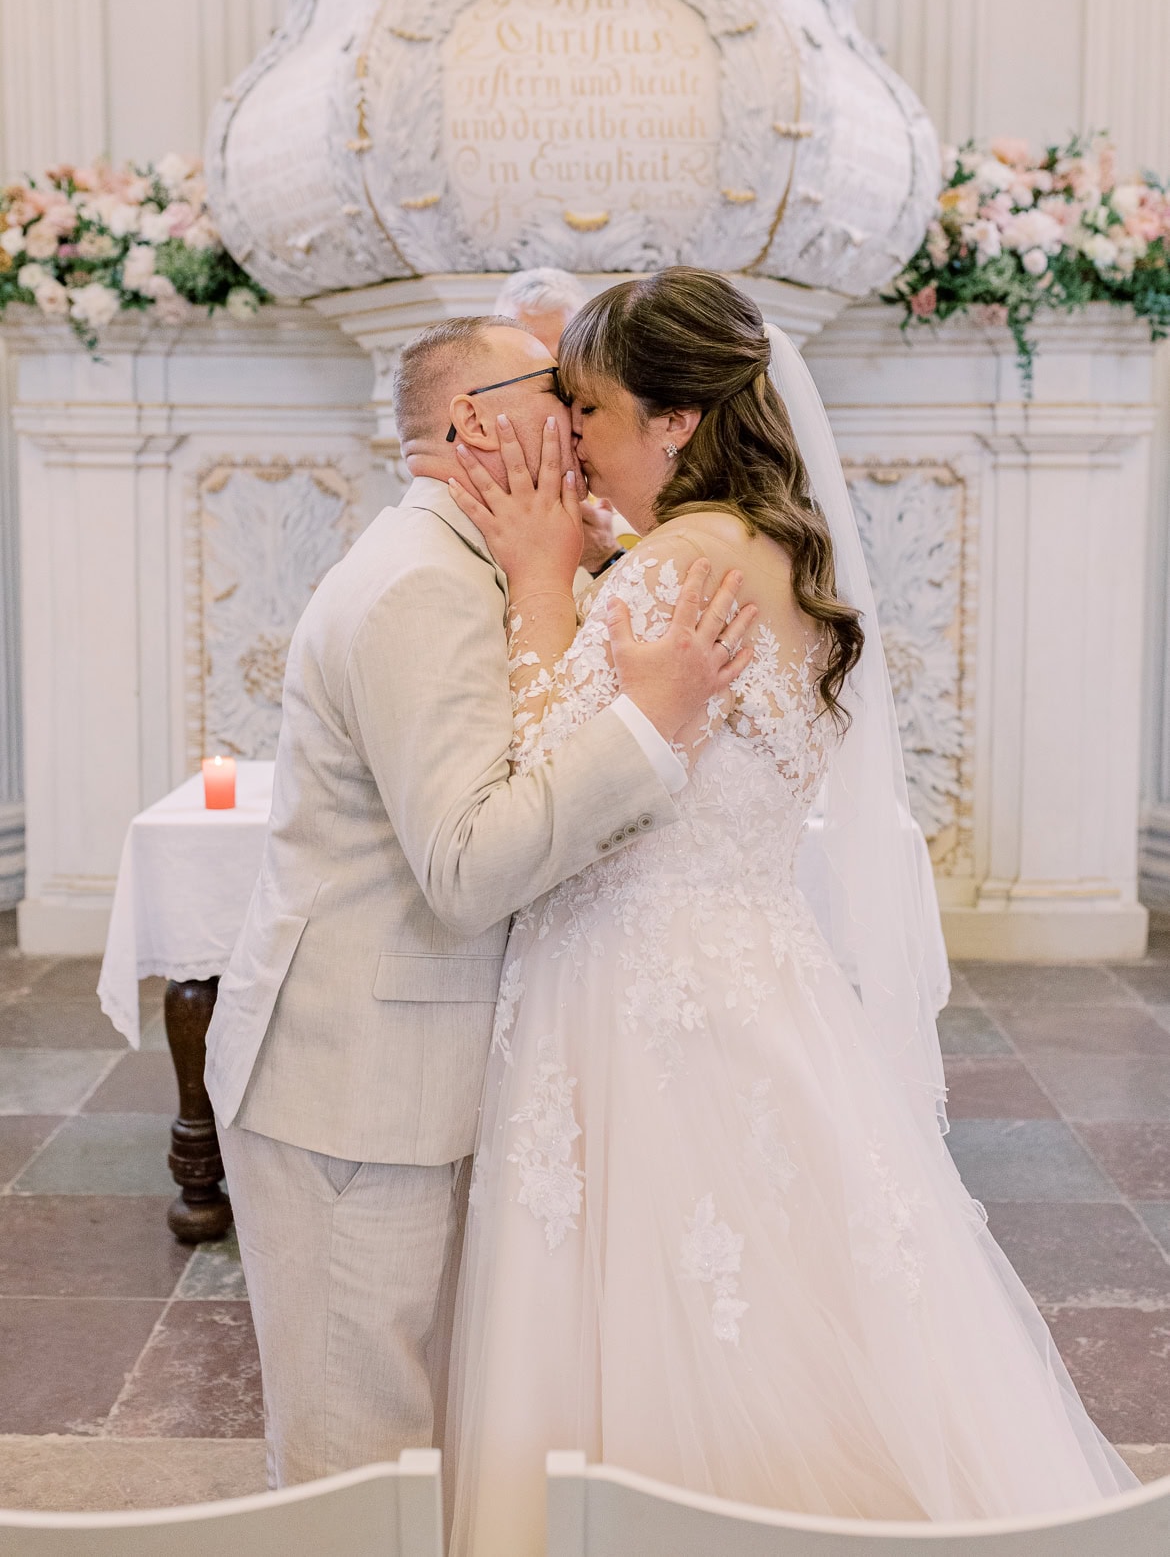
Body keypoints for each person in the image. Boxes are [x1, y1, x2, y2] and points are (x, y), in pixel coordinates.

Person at [444, 269, 1136, 1556]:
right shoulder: (773, 549)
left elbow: (549, 791)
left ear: (676, 424)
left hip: (632, 988)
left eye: (590, 409)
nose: (573, 435)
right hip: (758, 969)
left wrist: (541, 581)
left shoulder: (673, 569)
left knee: (656, 1330)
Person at [204, 312, 755, 1487]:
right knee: (359, 1465)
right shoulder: (418, 586)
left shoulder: (479, 563)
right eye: (557, 386)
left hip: (416, 1078)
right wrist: (646, 729)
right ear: (472, 421)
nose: (581, 411)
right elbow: (466, 865)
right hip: (355, 1099)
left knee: (428, 1454)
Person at [494, 267, 624, 577]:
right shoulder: (474, 457)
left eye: (556, 365)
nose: (543, 382)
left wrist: (605, 557)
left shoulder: (626, 446)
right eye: (523, 363)